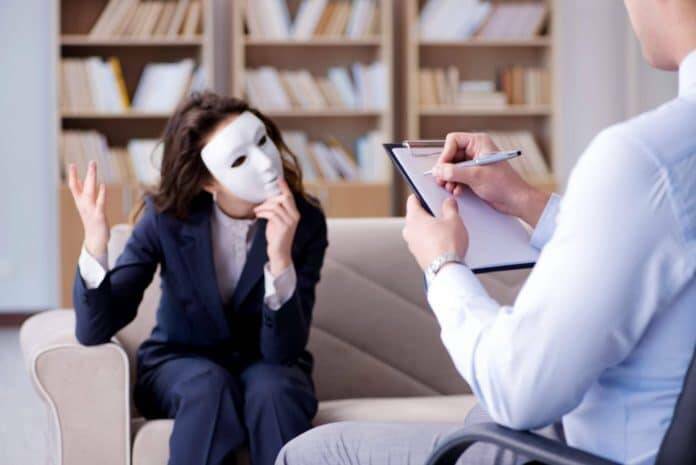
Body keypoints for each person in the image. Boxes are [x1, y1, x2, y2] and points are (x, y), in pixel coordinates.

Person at [275, 1, 696, 464]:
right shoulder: (669, 164)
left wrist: (442, 264)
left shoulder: (644, 159)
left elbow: (517, 390)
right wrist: (523, 199)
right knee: (478, 418)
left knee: (310, 453)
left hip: (585, 453)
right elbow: (653, 246)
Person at [69, 92, 328, 465]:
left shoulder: (306, 221)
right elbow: (94, 329)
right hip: (180, 363)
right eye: (239, 159)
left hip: (269, 365)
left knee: (273, 390)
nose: (266, 164)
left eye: (262, 141)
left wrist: (279, 258)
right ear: (208, 181)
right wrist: (96, 243)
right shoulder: (166, 218)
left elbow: (283, 352)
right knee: (209, 386)